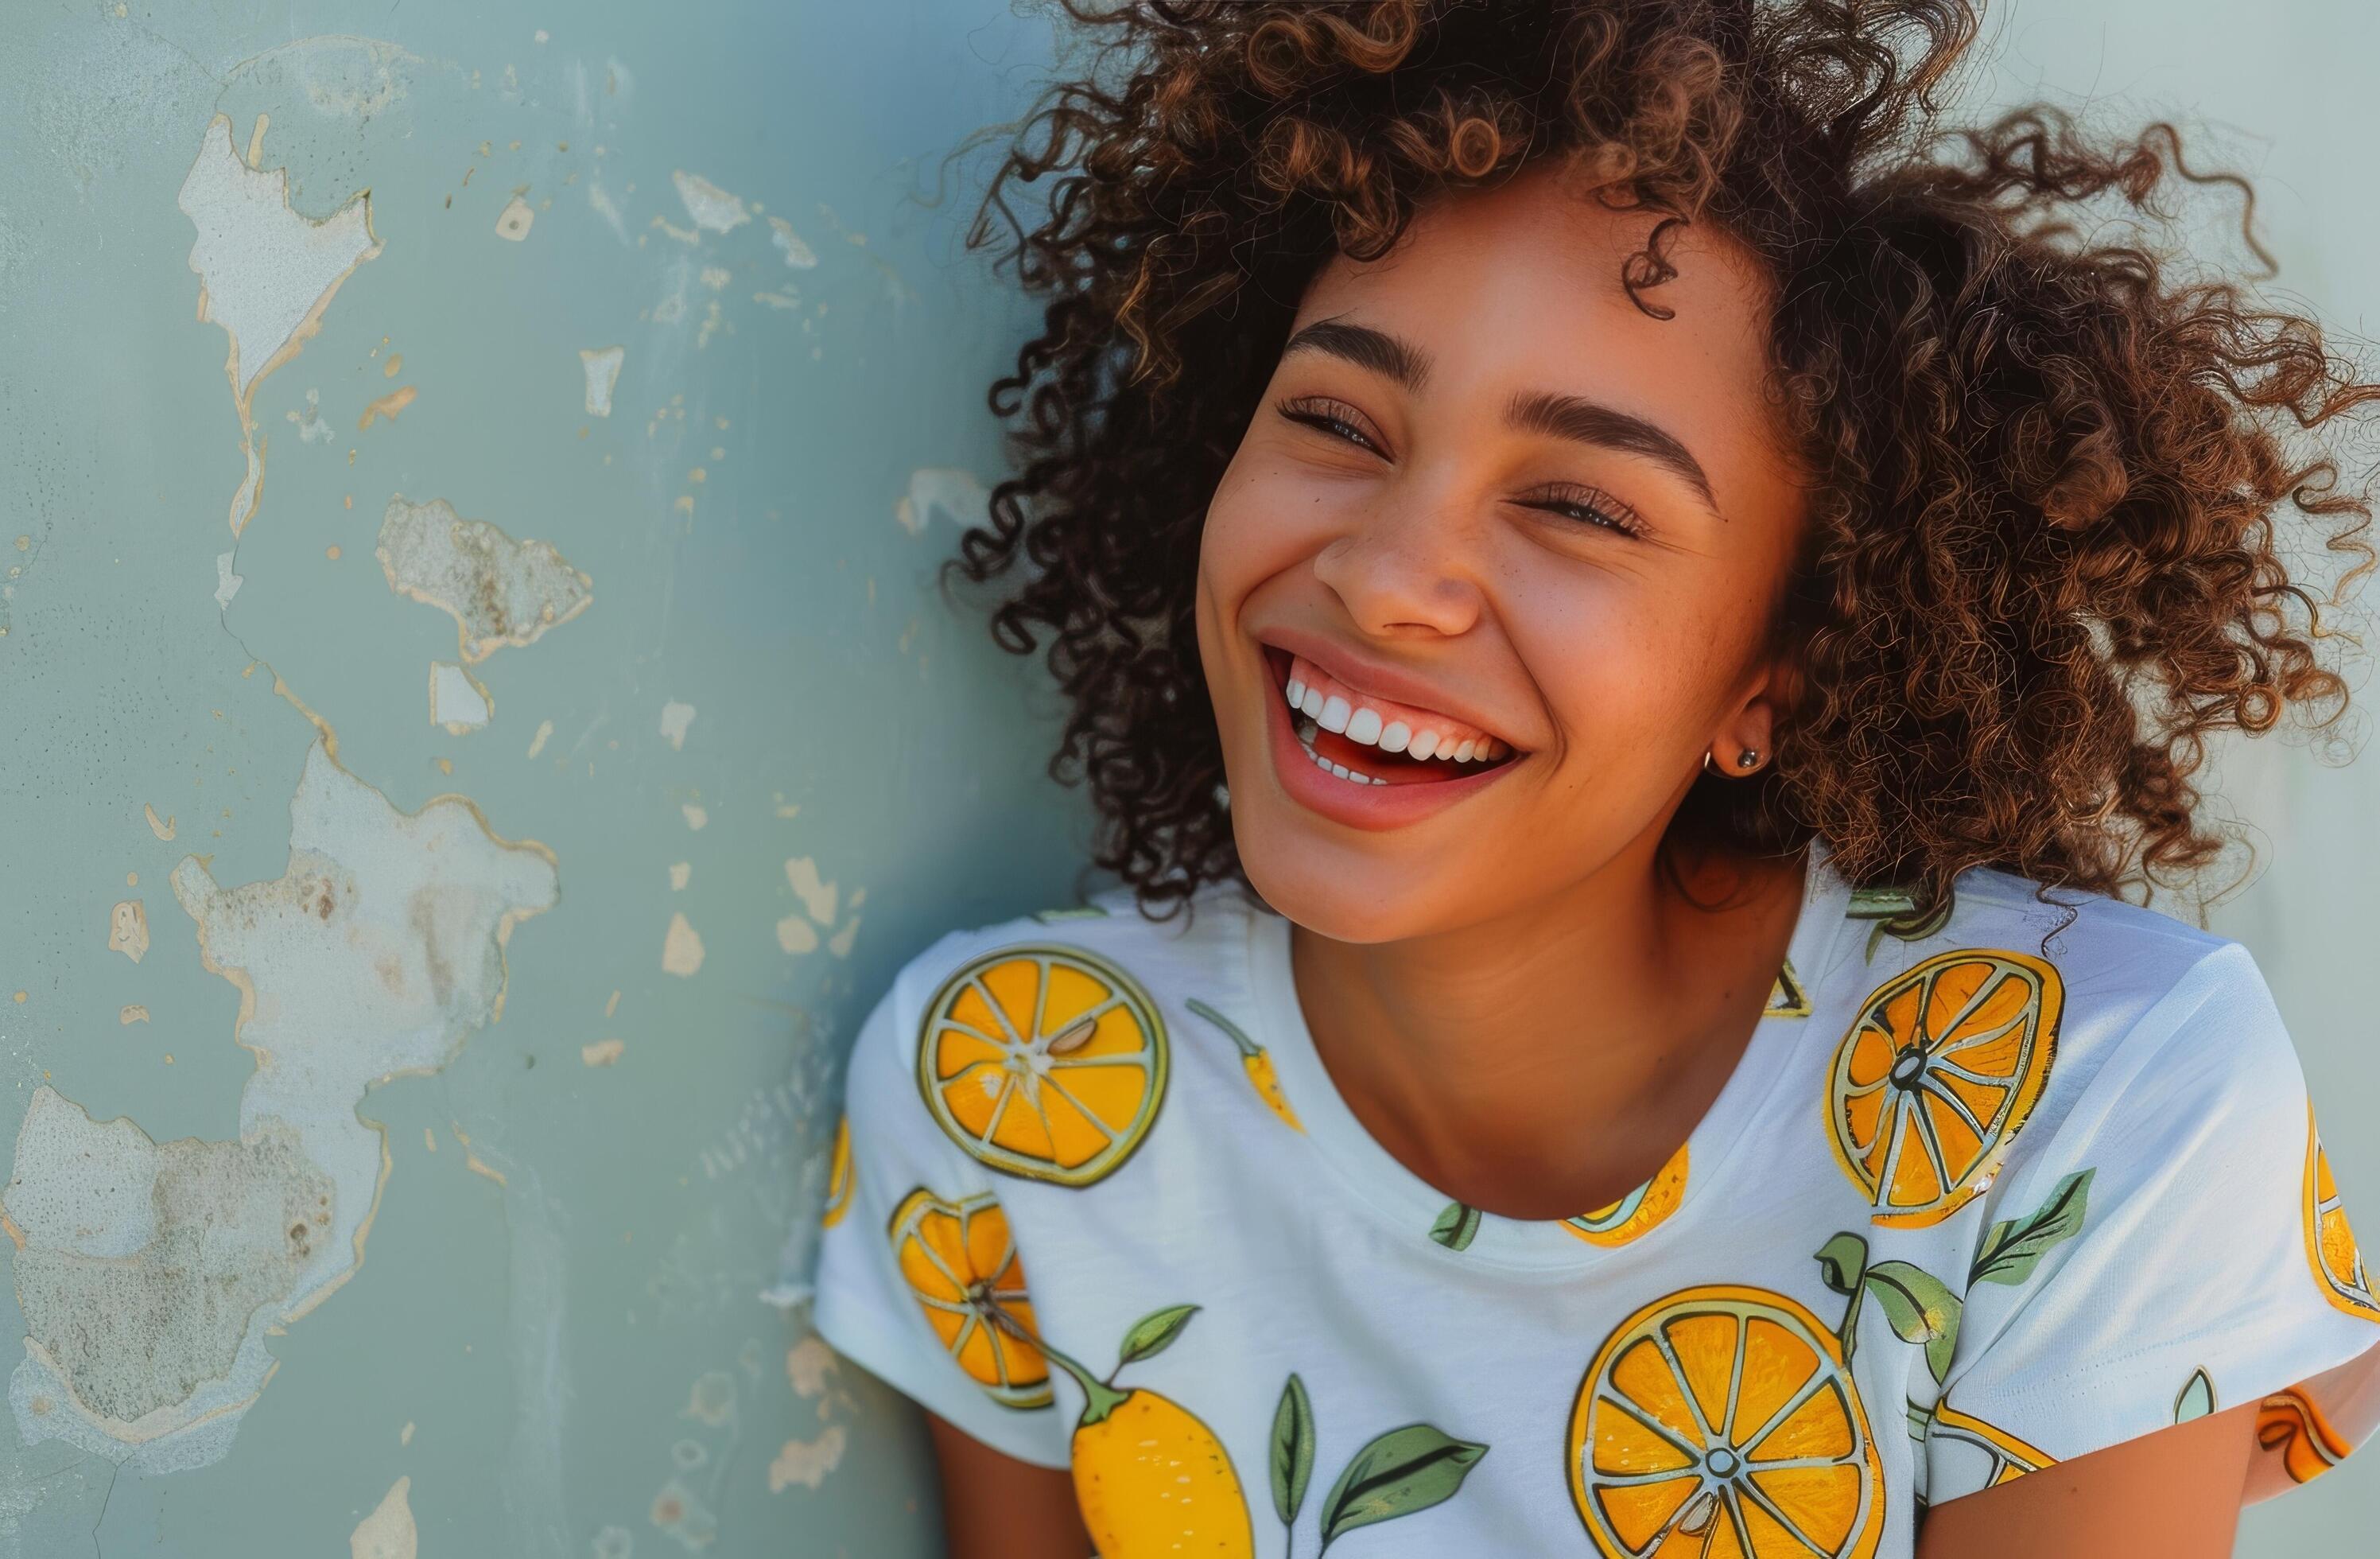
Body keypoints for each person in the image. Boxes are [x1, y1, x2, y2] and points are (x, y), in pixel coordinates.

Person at [808, 2, 2380, 1553]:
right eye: (1338, 419)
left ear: (1782, 666)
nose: (1390, 575)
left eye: (1578, 505)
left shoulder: (2093, 1095)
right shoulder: (1015, 1088)